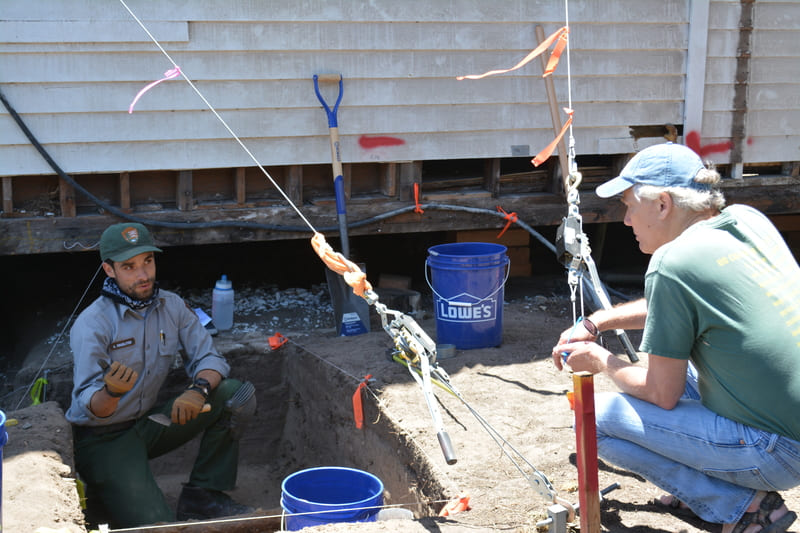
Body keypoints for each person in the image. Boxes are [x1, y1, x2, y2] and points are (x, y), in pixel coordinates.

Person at [552, 143, 800, 533]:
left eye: (630, 205)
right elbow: (681, 304)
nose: (626, 219)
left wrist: (602, 361)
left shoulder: (671, 264)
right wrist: (597, 322)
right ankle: (725, 492)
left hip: (779, 450)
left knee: (595, 420)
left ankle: (742, 506)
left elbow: (660, 394)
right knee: (672, 387)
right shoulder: (747, 221)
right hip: (788, 422)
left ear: (663, 204)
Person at [66, 222, 257, 528]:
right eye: (129, 266)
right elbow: (92, 405)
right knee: (159, 526)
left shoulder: (171, 305)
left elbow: (209, 357)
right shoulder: (93, 324)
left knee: (236, 395)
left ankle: (203, 495)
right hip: (103, 439)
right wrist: (111, 392)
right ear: (109, 270)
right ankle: (105, 491)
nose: (143, 275)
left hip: (149, 425)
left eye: (148, 262)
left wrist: (199, 390)